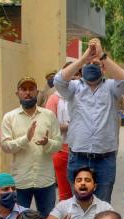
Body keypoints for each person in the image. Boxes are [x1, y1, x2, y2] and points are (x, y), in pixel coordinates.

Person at [54, 38, 124, 203]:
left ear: (104, 68)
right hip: (78, 157)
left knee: (102, 207)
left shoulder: (111, 88)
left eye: (97, 64)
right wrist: (83, 59)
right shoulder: (73, 88)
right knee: (78, 206)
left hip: (105, 159)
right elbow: (58, 81)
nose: (92, 66)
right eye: (89, 63)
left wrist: (102, 55)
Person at [1, 77, 62, 217]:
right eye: (23, 89)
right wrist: (25, 139)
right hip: (21, 180)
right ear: (17, 93)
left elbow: (58, 144)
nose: (27, 93)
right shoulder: (9, 117)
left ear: (37, 92)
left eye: (31, 89)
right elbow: (5, 146)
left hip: (45, 179)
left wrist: (47, 143)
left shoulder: (49, 116)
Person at [45, 62, 78, 202]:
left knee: (82, 193)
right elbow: (50, 125)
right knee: (65, 195)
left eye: (77, 74)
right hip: (62, 150)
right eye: (71, 74)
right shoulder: (54, 98)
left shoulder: (84, 96)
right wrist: (72, 125)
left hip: (81, 150)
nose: (74, 77)